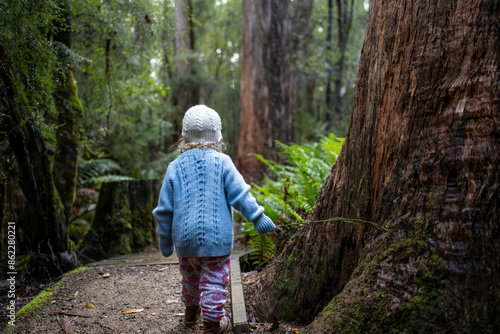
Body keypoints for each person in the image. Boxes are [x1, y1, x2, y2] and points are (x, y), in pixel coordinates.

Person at [152, 105, 276, 334]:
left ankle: (191, 314)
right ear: (217, 136)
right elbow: (241, 194)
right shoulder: (223, 162)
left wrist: (165, 239)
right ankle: (211, 324)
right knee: (214, 280)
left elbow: (164, 209)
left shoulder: (175, 167)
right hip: (216, 239)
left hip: (185, 241)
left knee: (190, 277)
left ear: (184, 136)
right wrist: (257, 217)